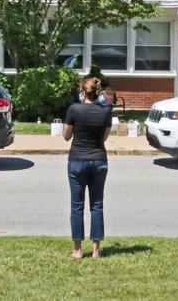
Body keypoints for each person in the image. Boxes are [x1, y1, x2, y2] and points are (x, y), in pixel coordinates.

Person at [63, 76, 112, 259]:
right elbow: (104, 137)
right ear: (98, 92)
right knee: (97, 204)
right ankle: (96, 250)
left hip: (77, 160)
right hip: (99, 160)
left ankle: (77, 250)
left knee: (77, 205)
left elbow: (66, 136)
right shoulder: (106, 111)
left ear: (83, 92)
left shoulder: (74, 109)